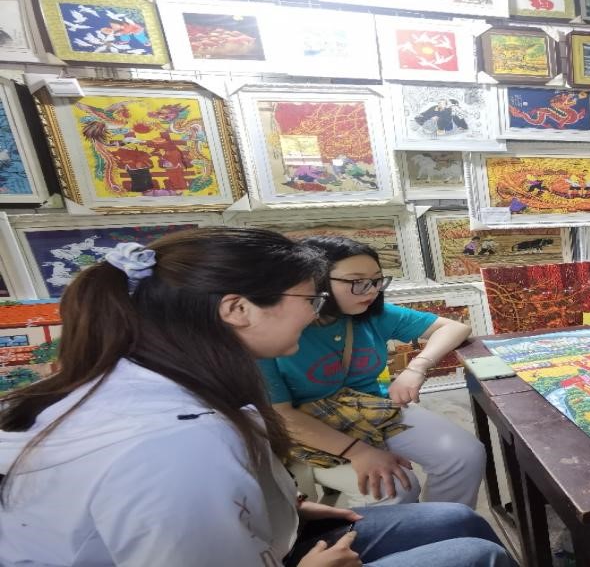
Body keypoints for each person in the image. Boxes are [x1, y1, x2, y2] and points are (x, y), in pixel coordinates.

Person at [0, 228, 512, 567]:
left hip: (271, 536)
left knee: (458, 518)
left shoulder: (160, 379)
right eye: (309, 298)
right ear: (237, 309)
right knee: (474, 554)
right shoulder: (175, 447)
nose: (315, 312)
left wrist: (287, 509)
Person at [260, 236, 485, 509]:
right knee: (396, 488)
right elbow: (280, 415)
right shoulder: (273, 333)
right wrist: (358, 452)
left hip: (371, 407)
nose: (372, 291)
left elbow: (454, 327)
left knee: (464, 454)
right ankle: (405, 534)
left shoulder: (371, 313)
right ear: (313, 282)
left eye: (377, 280)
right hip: (307, 426)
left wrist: (416, 367)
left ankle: (447, 525)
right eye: (357, 281)